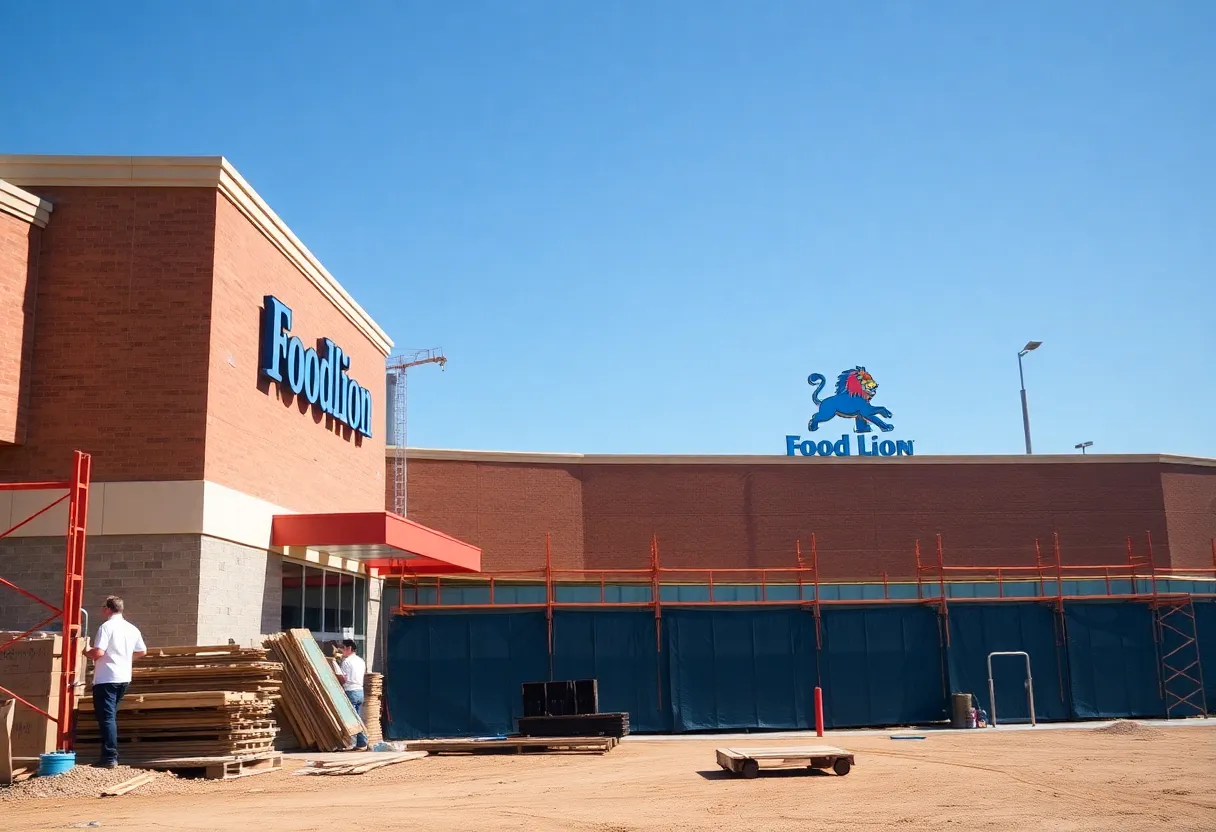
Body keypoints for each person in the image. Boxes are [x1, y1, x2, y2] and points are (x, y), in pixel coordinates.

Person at [83, 596, 146, 768]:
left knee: (107, 718)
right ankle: (108, 755)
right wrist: (125, 659)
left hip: (107, 678)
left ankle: (110, 756)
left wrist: (86, 650)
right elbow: (142, 651)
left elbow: (98, 653)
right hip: (123, 678)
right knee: (110, 717)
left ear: (108, 609)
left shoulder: (106, 627)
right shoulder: (131, 628)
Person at [335, 639, 368, 751]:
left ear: (349, 648)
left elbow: (344, 679)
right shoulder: (361, 661)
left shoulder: (347, 662)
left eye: (343, 648)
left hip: (351, 691)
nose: (341, 650)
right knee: (358, 717)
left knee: (351, 719)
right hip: (360, 691)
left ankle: (351, 743)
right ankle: (361, 743)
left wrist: (335, 672)